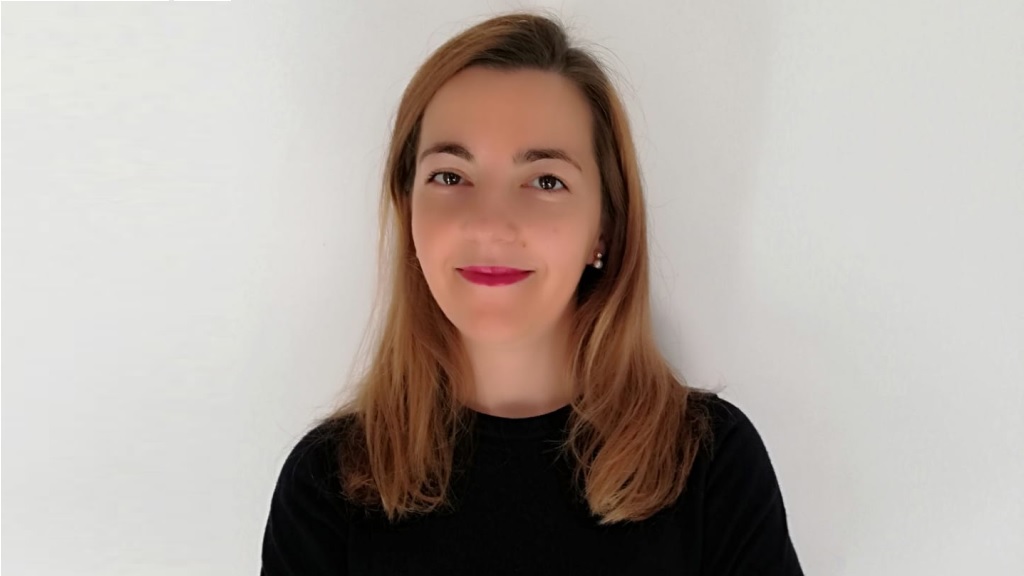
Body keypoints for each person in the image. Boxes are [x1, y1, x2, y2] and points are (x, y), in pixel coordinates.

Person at [260, 11, 803, 575]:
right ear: (409, 213)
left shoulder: (709, 465)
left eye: (546, 181)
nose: (490, 225)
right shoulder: (329, 485)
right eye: (450, 176)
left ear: (604, 228)